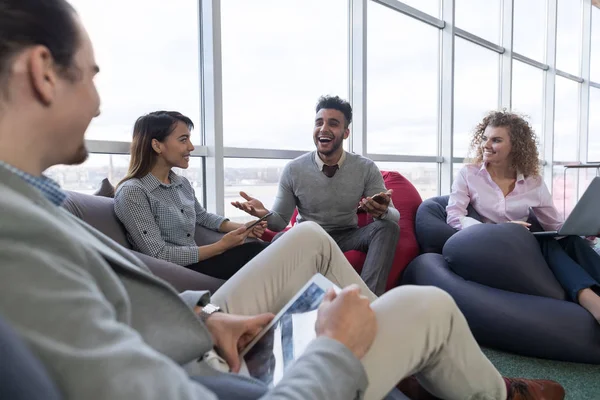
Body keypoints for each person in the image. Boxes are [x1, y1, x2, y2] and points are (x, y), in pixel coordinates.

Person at [0, 1, 565, 399]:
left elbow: (110, 309)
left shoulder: (30, 201)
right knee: (431, 305)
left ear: (344, 131)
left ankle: (369, 310)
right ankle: (475, 383)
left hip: (201, 335)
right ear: (42, 74)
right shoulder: (19, 237)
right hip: (207, 375)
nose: (98, 103)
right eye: (91, 77)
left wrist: (201, 317)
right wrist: (336, 349)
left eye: (333, 124)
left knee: (314, 235)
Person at [232, 95, 400, 295]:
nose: (323, 128)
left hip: (346, 235)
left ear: (346, 133)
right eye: (319, 123)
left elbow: (394, 216)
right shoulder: (294, 169)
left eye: (333, 123)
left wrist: (382, 211)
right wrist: (263, 213)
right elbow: (278, 223)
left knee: (387, 227)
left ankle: (367, 300)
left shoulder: (365, 168)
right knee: (278, 240)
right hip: (308, 236)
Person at [447, 110, 600, 324]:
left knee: (567, 240)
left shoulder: (533, 182)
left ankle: (591, 295)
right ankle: (591, 301)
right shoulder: (469, 174)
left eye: (496, 140)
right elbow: (455, 216)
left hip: (526, 242)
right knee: (545, 244)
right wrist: (501, 229)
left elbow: (554, 225)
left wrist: (585, 229)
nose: (486, 144)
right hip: (490, 242)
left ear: (515, 146)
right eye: (485, 138)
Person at [113, 111, 269, 280]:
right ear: (157, 145)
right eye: (183, 139)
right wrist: (221, 246)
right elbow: (158, 254)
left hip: (199, 263)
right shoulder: (133, 192)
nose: (191, 147)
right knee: (258, 253)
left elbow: (202, 217)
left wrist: (245, 228)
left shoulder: (181, 183)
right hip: (172, 273)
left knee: (269, 249)